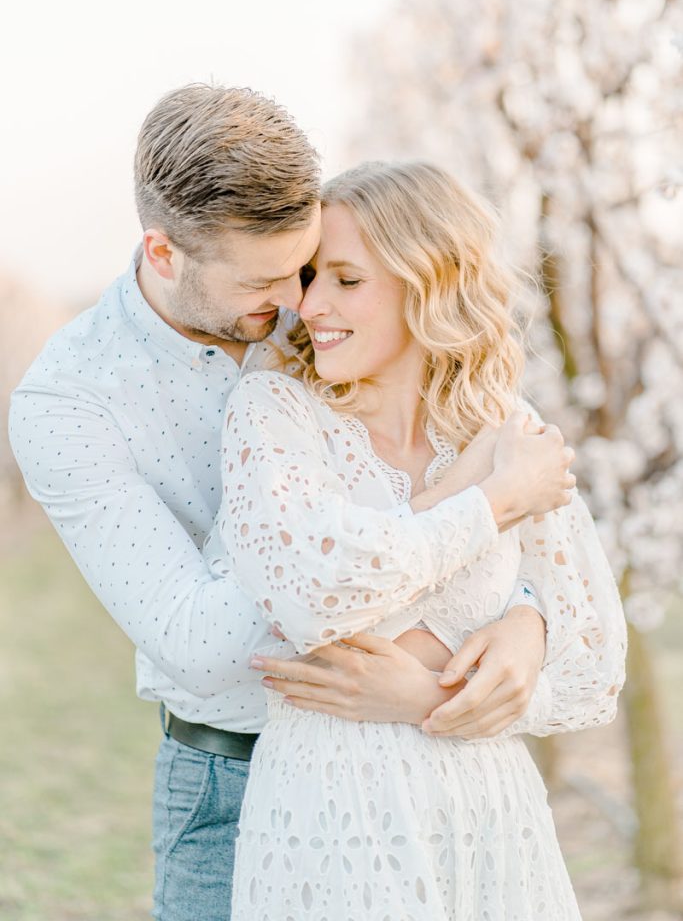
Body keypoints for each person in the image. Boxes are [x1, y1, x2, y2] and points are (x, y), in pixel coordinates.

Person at [9, 85, 575, 921]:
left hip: (420, 755)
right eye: (267, 282)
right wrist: (467, 506)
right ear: (162, 253)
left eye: (306, 268)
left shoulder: (328, 302)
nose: (297, 309)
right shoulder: (69, 402)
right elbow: (199, 645)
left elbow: (451, 444)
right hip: (234, 775)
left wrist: (524, 616)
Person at [205, 161, 627, 920]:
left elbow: (594, 661)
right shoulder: (274, 414)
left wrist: (507, 637)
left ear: (427, 281)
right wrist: (490, 497)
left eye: (345, 279)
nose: (310, 304)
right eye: (308, 276)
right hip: (330, 819)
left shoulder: (505, 426)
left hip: (487, 821)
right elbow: (312, 600)